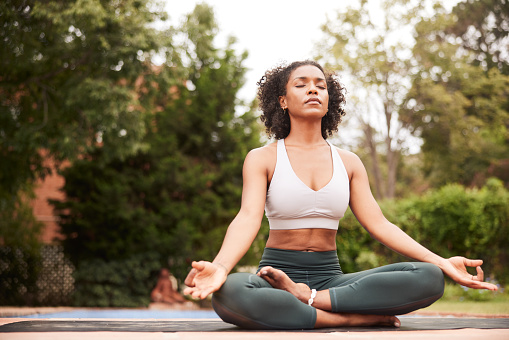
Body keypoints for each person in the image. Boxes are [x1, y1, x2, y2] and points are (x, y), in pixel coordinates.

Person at [183, 60, 498, 330]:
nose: (313, 90)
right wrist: (221, 268)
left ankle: (309, 302)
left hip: (332, 281)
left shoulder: (349, 162)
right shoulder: (262, 158)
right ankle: (346, 319)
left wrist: (441, 262)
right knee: (232, 292)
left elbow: (380, 224)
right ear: (282, 101)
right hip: (276, 276)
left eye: (320, 85)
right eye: (302, 84)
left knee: (428, 277)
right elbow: (247, 217)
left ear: (328, 99)